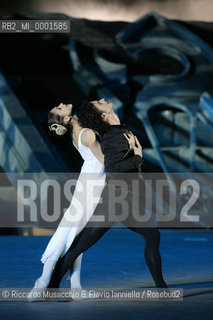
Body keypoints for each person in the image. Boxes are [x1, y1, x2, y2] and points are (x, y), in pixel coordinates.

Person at [47, 98, 168, 290]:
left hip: (123, 199)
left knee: (152, 235)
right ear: (104, 115)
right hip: (114, 200)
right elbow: (112, 169)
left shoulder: (119, 130)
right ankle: (51, 285)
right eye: (99, 103)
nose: (103, 99)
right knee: (80, 246)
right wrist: (138, 157)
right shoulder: (112, 136)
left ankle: (162, 288)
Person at [28, 102, 107, 300]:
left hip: (89, 187)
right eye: (60, 108)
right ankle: (43, 281)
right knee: (67, 235)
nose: (62, 104)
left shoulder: (79, 134)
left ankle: (74, 286)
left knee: (74, 238)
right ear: (66, 119)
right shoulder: (86, 134)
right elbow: (106, 162)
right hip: (90, 189)